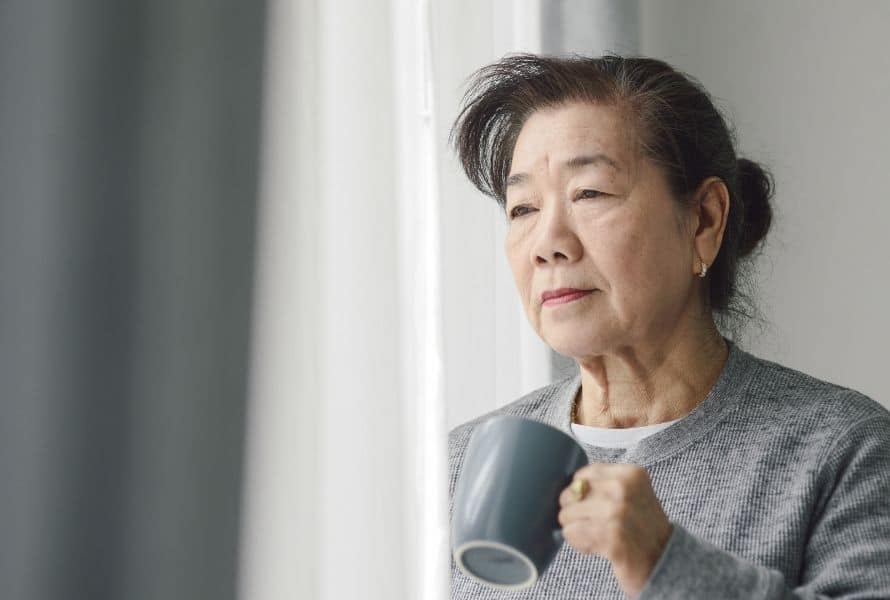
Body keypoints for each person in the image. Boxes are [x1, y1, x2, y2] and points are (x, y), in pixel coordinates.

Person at [446, 53, 890, 599]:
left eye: (590, 193)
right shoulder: (460, 466)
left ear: (703, 221)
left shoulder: (840, 448)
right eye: (522, 209)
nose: (547, 243)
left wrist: (666, 564)